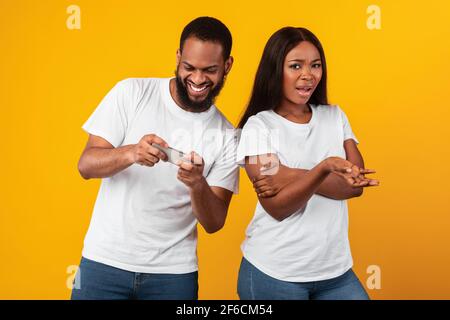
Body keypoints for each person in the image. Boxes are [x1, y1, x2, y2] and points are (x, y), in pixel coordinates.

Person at [72, 16, 239, 300]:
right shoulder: (132, 92)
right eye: (189, 67)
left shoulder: (228, 135)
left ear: (227, 66)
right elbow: (85, 166)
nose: (197, 80)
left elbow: (214, 223)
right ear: (177, 58)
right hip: (103, 262)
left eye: (209, 70)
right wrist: (131, 152)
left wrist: (197, 184)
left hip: (174, 275)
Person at [236, 27, 379, 300]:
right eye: (295, 66)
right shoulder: (259, 126)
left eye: (315, 65)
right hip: (275, 272)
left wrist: (288, 174)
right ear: (276, 70)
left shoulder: (335, 116)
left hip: (335, 271)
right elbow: (277, 207)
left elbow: (355, 184)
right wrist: (325, 168)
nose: (308, 74)